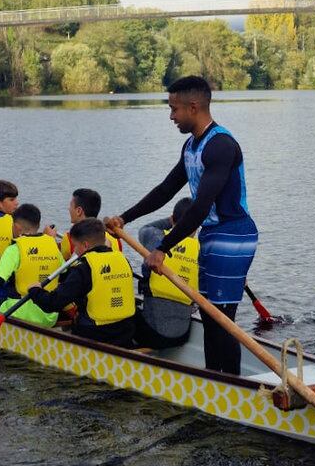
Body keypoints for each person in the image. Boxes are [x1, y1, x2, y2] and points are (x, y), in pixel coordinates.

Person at [105, 75, 258, 375]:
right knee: (211, 313)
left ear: (193, 107)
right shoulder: (191, 146)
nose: (171, 116)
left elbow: (200, 206)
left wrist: (162, 248)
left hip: (233, 235)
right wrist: (125, 218)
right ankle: (218, 379)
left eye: (174, 109)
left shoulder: (221, 145)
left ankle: (229, 385)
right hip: (214, 234)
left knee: (220, 317)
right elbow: (165, 190)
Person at [26, 218, 136, 347]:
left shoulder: (83, 269)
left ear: (85, 245)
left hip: (95, 335)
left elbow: (52, 304)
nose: (75, 252)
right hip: (125, 331)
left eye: (76, 246)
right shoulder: (124, 261)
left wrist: (35, 291)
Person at [0, 203, 65, 327]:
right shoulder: (52, 245)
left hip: (21, 313)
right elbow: (63, 274)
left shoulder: (15, 249)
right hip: (50, 316)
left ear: (17, 227)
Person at [133, 198, 196, 349]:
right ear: (197, 226)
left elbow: (144, 228)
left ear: (173, 218)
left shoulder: (156, 238)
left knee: (124, 306)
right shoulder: (202, 251)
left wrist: (169, 221)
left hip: (152, 336)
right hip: (182, 337)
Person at [49, 188, 121, 257]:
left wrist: (49, 239)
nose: (68, 209)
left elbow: (58, 263)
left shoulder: (69, 238)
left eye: (70, 205)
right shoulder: (116, 239)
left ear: (78, 211)